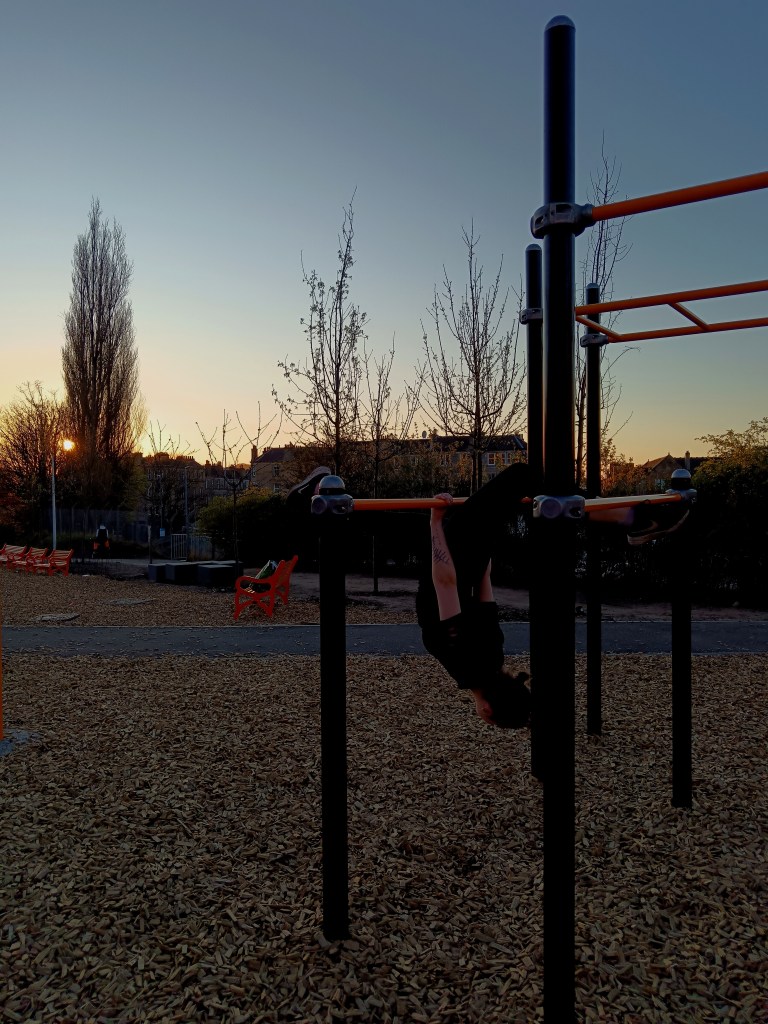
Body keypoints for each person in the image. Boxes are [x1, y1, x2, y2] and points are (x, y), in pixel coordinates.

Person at [416, 462, 533, 730]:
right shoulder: (465, 667)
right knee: (521, 476)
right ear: (488, 711)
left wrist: (486, 546)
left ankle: (607, 512)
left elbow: (485, 593)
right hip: (456, 551)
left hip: (476, 559)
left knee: (518, 483)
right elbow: (444, 584)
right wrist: (436, 522)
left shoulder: (495, 660)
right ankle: (616, 515)